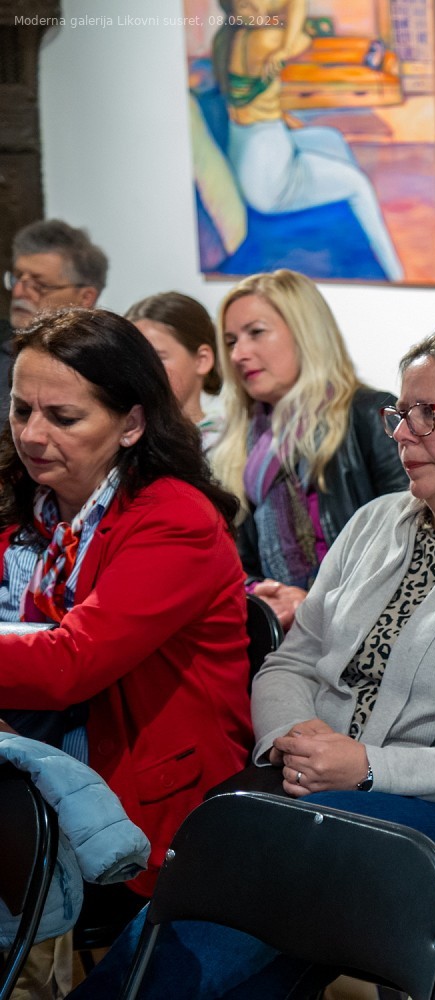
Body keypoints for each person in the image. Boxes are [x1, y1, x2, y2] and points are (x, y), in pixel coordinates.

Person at [69, 327, 435, 999]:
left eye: (431, 413)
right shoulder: (376, 523)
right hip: (321, 794)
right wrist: (294, 740)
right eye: (401, 413)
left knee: (267, 856)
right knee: (232, 852)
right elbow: (290, 665)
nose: (404, 433)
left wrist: (368, 767)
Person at [0, 309, 251, 904]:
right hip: (40, 776)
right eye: (21, 409)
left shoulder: (175, 518)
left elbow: (70, 665)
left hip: (145, 813)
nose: (31, 435)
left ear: (132, 424)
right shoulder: (28, 500)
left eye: (63, 418)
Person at [212, 269, 406, 629]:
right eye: (230, 341)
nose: (238, 354)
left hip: (369, 624)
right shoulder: (238, 443)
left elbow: (411, 536)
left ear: (306, 334)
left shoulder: (370, 415)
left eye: (256, 332)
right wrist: (265, 593)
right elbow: (232, 561)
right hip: (287, 631)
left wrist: (320, 602)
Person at [210, 0, 405, 281]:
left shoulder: (230, 39)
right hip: (269, 181)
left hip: (258, 148)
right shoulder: (265, 38)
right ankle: (395, 273)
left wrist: (284, 117)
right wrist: (285, 46)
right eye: (246, 7)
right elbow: (301, 34)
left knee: (330, 138)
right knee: (359, 186)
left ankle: (348, 225)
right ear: (232, 11)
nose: (257, 10)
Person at [3, 220, 110, 400]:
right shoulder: (4, 355)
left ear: (86, 297)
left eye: (39, 285)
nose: (18, 292)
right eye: (17, 278)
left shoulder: (108, 372)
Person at [125, 292, 226, 451]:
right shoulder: (124, 437)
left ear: (202, 360)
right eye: (132, 359)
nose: (141, 369)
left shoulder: (226, 445)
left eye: (157, 358)